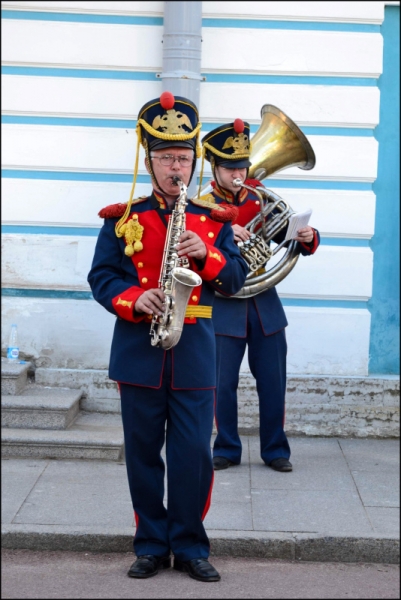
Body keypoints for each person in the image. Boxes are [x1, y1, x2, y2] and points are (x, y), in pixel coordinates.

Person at [87, 93, 248, 583]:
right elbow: (101, 278)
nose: (175, 167)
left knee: (194, 456)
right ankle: (151, 544)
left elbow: (236, 280)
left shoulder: (212, 221)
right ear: (149, 160)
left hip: (196, 351)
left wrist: (208, 256)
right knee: (141, 454)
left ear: (194, 160)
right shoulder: (123, 218)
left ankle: (191, 544)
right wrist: (133, 299)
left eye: (183, 158)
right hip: (140, 351)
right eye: (166, 158)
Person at [199, 119, 320, 473]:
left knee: (273, 382)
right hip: (223, 305)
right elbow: (193, 252)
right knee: (222, 385)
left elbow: (291, 235)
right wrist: (223, 232)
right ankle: (226, 447)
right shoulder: (202, 208)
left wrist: (307, 234)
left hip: (264, 303)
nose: (238, 173)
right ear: (214, 167)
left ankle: (275, 450)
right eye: (230, 167)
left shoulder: (260, 198)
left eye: (242, 166)